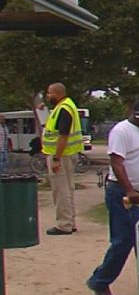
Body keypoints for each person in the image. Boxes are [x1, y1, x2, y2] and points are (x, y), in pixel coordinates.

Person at [86, 98, 139, 295]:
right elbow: (117, 162)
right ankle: (100, 280)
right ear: (137, 113)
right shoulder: (121, 131)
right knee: (123, 241)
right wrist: (129, 190)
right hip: (124, 194)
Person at [42, 83, 83, 235]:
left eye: (49, 93)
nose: (48, 96)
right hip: (67, 154)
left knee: (61, 190)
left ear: (57, 93)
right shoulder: (67, 106)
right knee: (67, 189)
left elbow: (63, 135)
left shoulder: (63, 109)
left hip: (61, 155)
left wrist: (56, 158)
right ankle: (69, 222)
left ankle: (64, 224)